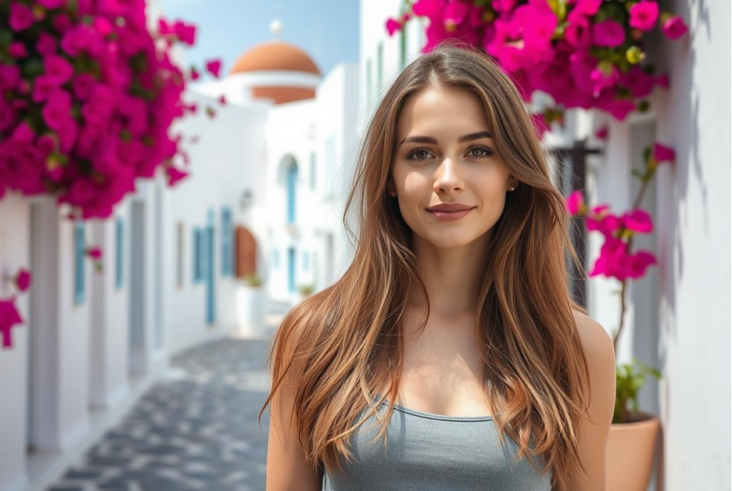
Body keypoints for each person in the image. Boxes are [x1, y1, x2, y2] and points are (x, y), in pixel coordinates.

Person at [259, 40, 616, 491]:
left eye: (478, 151)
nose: (448, 179)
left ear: (511, 172)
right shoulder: (316, 336)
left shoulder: (577, 347)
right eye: (420, 154)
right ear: (390, 177)